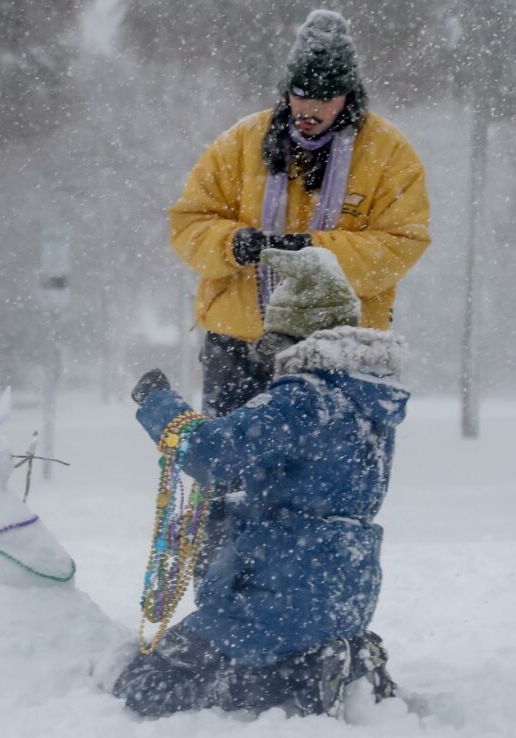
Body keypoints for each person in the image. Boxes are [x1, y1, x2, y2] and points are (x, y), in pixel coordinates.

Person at [166, 8, 431, 578]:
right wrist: (233, 243)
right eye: (299, 95)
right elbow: (188, 223)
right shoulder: (241, 142)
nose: (308, 110)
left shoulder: (389, 155)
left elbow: (403, 243)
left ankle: (304, 612)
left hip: (338, 356)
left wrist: (310, 250)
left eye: (324, 98)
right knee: (227, 486)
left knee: (320, 496)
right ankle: (221, 597)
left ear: (349, 97)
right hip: (240, 343)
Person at [114, 246, 408, 718]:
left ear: (298, 338)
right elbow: (314, 490)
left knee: (146, 686)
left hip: (277, 592)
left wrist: (157, 401)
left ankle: (302, 673)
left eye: (272, 344)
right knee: (260, 656)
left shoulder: (304, 397)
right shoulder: (368, 402)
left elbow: (212, 454)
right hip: (342, 588)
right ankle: (333, 656)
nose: (267, 359)